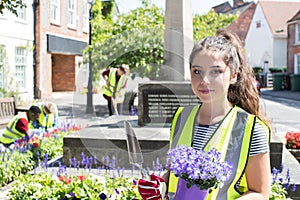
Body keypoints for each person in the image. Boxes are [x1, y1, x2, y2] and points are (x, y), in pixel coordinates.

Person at [138, 29, 271, 199]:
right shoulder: (181, 117)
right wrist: (159, 184)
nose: (204, 81)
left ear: (233, 76)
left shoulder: (252, 129)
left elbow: (260, 193)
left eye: (216, 71)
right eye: (197, 71)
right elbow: (176, 174)